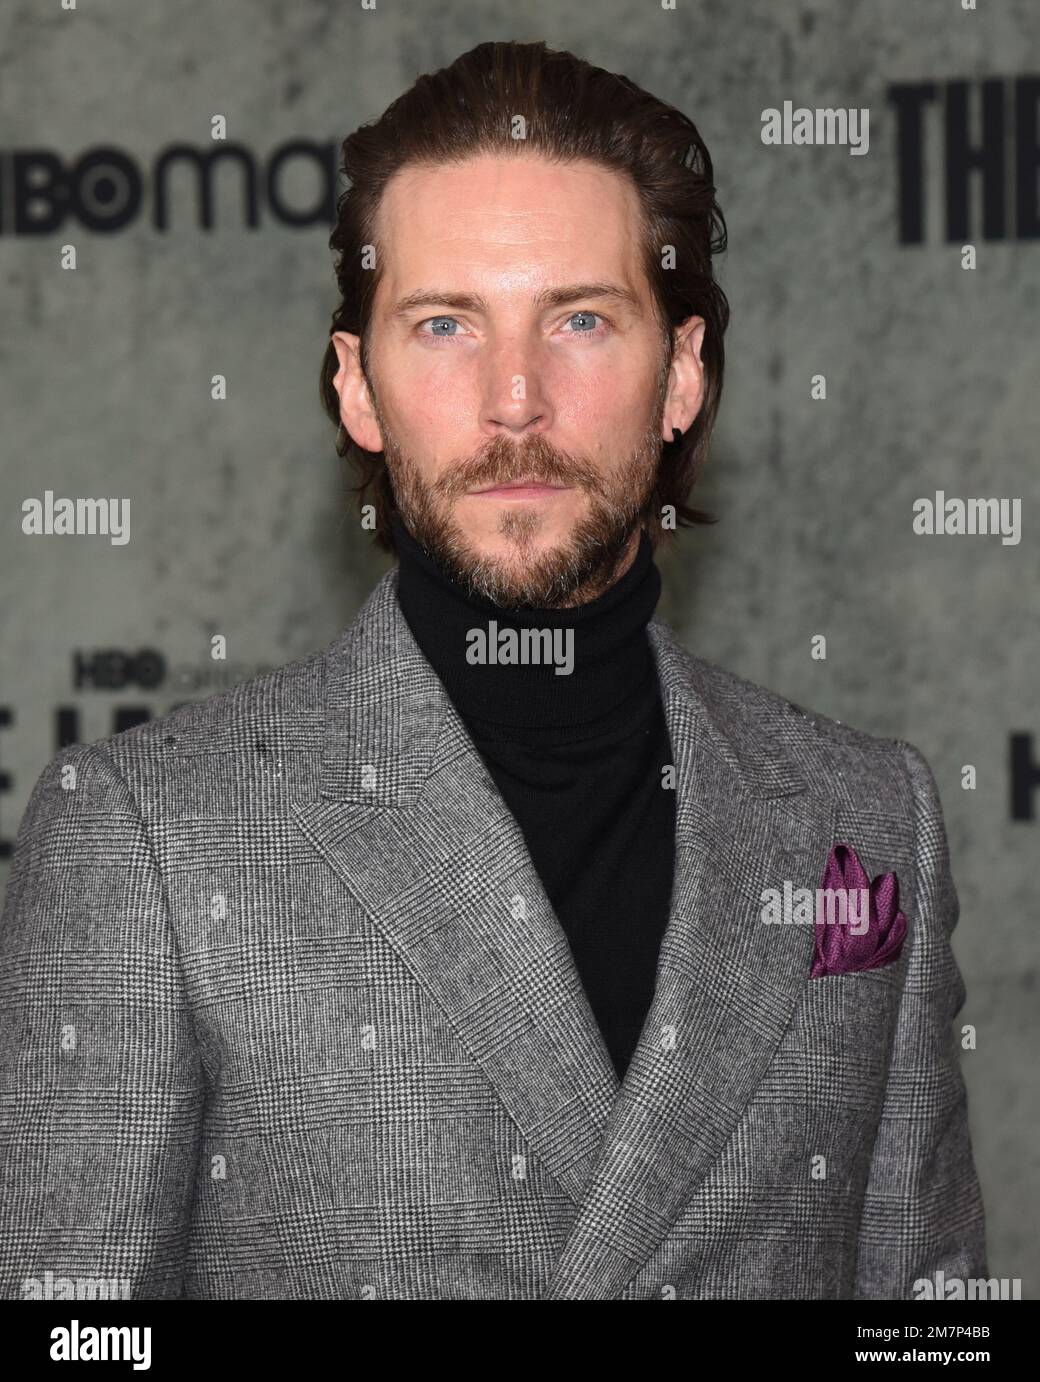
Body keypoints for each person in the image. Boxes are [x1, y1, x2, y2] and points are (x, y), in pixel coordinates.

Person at [0, 40, 986, 1300]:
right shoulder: (147, 836)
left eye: (579, 319)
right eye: (445, 324)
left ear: (681, 373)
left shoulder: (865, 819)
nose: (514, 399)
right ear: (358, 387)